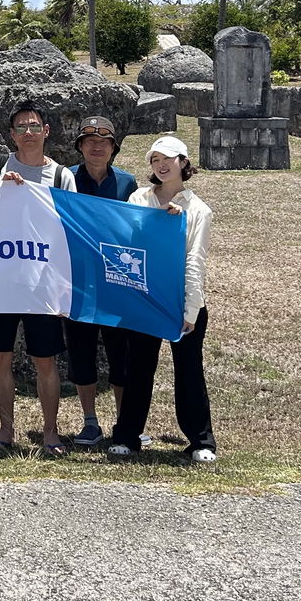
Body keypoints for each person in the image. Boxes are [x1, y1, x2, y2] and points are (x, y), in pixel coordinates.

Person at [0, 100, 75, 454]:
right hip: (0, 278)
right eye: (21, 127)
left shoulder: (62, 177)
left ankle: (50, 432)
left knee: (45, 360)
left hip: (43, 281)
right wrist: (1, 193)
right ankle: (5, 430)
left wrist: (64, 286)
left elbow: (70, 232)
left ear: (46, 132)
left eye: (34, 126)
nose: (28, 133)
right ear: (11, 134)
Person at [109, 135, 218, 463]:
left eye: (168, 158)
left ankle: (201, 441)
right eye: (155, 159)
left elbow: (195, 261)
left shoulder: (198, 210)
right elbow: (126, 245)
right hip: (145, 298)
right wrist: (158, 225)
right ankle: (128, 436)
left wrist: (191, 310)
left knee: (189, 370)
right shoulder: (138, 199)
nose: (161, 164)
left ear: (184, 163)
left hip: (180, 300)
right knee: (138, 369)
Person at [63, 115, 139, 448]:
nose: (97, 147)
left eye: (104, 142)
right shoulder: (65, 180)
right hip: (78, 282)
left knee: (121, 356)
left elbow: (142, 228)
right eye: (90, 141)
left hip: (118, 283)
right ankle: (90, 422)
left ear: (113, 148)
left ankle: (125, 423)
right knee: (82, 354)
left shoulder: (127, 184)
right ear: (80, 147)